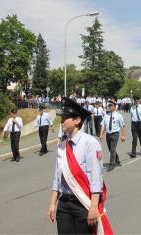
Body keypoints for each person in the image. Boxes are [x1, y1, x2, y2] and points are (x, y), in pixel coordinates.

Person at [47, 97, 113, 234]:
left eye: (65, 117)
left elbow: (96, 178)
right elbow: (58, 178)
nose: (62, 121)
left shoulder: (90, 143)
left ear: (77, 120)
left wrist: (94, 206)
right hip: (64, 204)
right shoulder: (62, 146)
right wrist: (53, 204)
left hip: (82, 203)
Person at [99, 101, 126, 172]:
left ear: (114, 106)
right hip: (108, 134)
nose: (109, 107)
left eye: (111, 106)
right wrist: (101, 134)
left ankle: (112, 164)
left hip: (115, 134)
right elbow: (102, 125)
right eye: (109, 106)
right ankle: (117, 160)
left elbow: (122, 126)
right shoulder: (106, 115)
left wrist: (123, 136)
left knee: (113, 149)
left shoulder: (118, 115)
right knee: (110, 150)